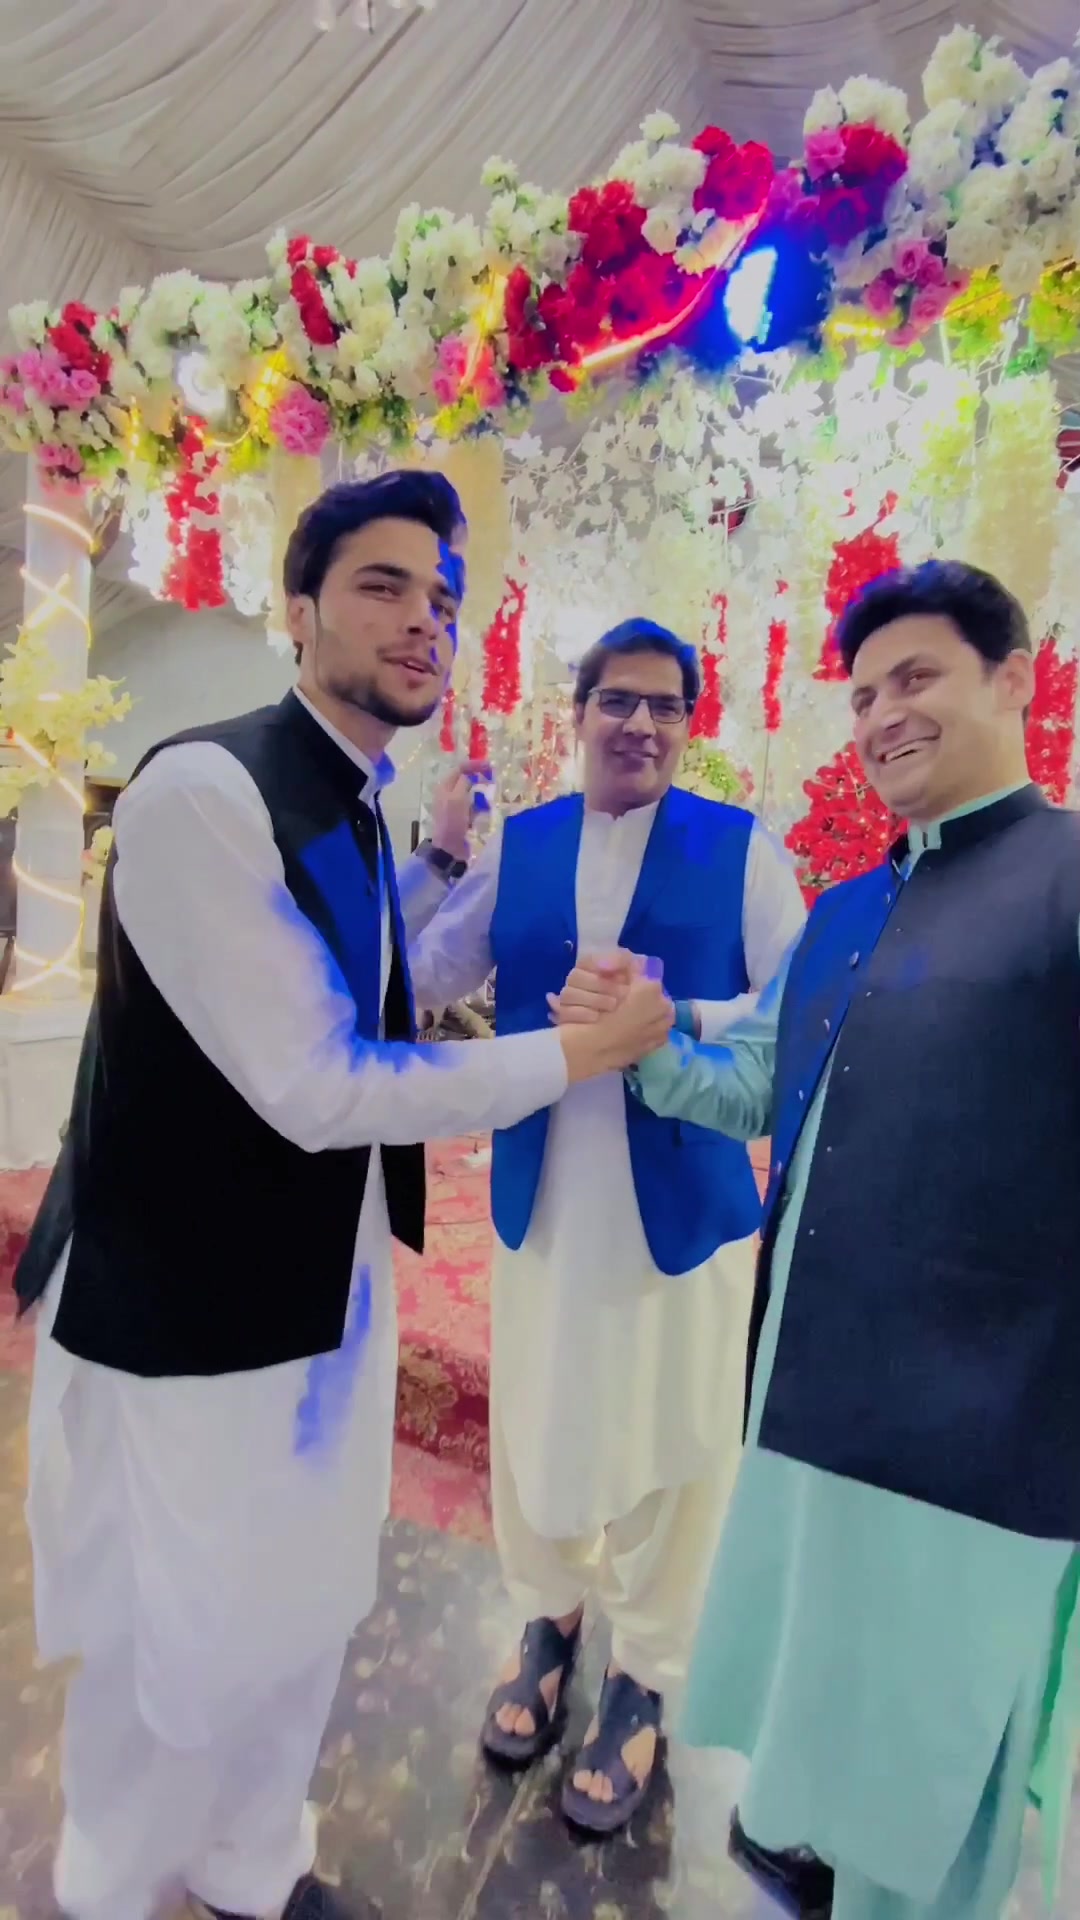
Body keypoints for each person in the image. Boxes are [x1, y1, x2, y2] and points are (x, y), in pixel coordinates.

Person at [14, 472, 672, 1920]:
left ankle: (252, 1868)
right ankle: (113, 1889)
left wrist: (441, 870)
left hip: (321, 1288)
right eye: (384, 585)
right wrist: (572, 1056)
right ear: (298, 608)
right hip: (181, 1313)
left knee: (298, 1612)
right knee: (176, 1646)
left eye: (444, 596)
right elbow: (321, 1083)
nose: (426, 619)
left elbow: (378, 985)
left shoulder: (358, 805)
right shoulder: (206, 792)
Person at [573, 562, 1080, 1918]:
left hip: (985, 1434)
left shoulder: (1067, 879)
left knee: (929, 1773)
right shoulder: (849, 909)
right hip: (813, 1399)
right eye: (862, 696)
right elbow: (754, 1079)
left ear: (1013, 680)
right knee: (819, 1697)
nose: (881, 715)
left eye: (916, 678)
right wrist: (645, 1046)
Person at [408, 616, 805, 1834]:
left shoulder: (741, 851)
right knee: (540, 1421)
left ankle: (644, 1675)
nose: (640, 723)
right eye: (617, 700)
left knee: (678, 1441)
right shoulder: (523, 846)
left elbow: (797, 1011)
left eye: (664, 705)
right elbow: (427, 976)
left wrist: (673, 1015)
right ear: (577, 714)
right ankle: (548, 1621)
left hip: (683, 1208)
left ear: (689, 723)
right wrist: (434, 856)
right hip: (544, 1202)